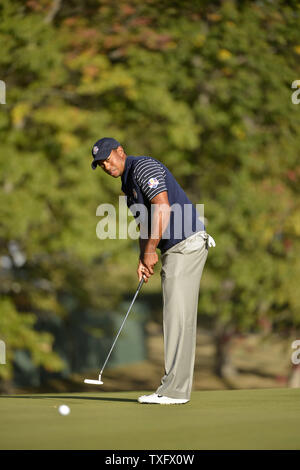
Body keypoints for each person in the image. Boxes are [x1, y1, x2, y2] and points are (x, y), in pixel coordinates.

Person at [91, 137, 216, 405]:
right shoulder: (128, 186)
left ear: (121, 152)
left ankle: (174, 392)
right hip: (174, 249)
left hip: (186, 244)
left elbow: (162, 206)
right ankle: (175, 389)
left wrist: (150, 252)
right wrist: (142, 256)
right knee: (175, 315)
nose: (105, 165)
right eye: (100, 163)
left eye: (108, 158)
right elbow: (146, 224)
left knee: (177, 317)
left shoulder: (143, 167)